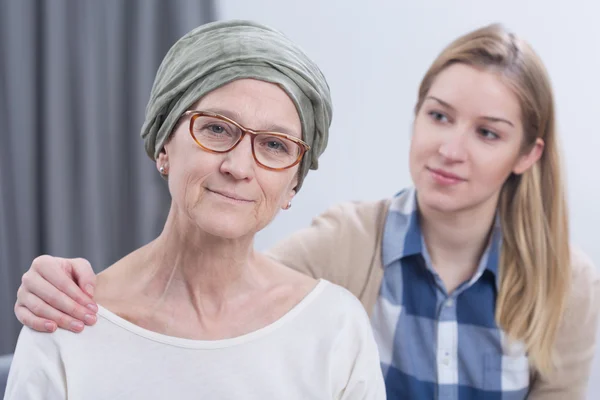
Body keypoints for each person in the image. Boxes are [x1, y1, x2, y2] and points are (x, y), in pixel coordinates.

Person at [13, 22, 600, 400]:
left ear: (529, 153)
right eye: (439, 116)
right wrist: (55, 284)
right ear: (164, 142)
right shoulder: (345, 243)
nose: (450, 148)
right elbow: (219, 290)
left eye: (488, 133)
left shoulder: (569, 286)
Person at [5, 20, 386, 400]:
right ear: (164, 145)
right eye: (217, 129)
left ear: (293, 185)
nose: (238, 167)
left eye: (275, 145)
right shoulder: (65, 321)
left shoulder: (335, 328)